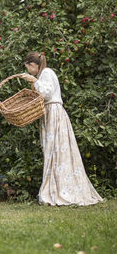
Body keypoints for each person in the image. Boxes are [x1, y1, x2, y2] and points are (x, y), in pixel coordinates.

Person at [21, 51, 103, 206]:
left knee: (56, 150)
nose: (28, 71)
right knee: (53, 150)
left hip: (54, 113)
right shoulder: (43, 75)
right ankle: (57, 186)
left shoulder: (46, 72)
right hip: (50, 114)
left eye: (28, 68)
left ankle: (62, 189)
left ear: (33, 65)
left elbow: (47, 93)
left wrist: (33, 80)